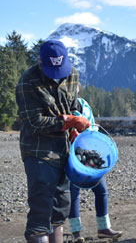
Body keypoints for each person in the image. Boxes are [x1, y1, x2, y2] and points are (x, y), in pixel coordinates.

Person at [15, 40, 90, 242]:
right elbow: (34, 122)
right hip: (37, 150)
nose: (58, 74)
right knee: (41, 205)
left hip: (64, 150)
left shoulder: (72, 73)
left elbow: (74, 103)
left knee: (61, 204)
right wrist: (69, 121)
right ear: (40, 60)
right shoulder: (27, 81)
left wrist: (77, 120)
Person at [68, 98, 122, 242]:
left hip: (90, 151)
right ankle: (76, 234)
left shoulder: (83, 103)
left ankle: (104, 228)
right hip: (73, 154)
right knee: (73, 194)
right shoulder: (63, 102)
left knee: (101, 190)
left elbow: (92, 124)